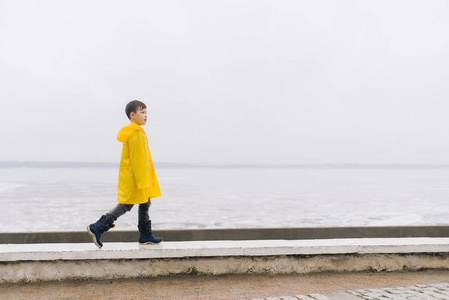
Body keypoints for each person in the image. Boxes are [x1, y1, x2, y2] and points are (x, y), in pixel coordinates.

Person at [87, 100, 162, 249]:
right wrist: (142, 182)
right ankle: (98, 226)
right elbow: (138, 159)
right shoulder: (135, 134)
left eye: (146, 112)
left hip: (138, 176)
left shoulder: (138, 132)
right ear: (132, 115)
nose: (146, 115)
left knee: (145, 202)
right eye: (142, 112)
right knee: (126, 204)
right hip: (136, 177)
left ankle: (145, 235)